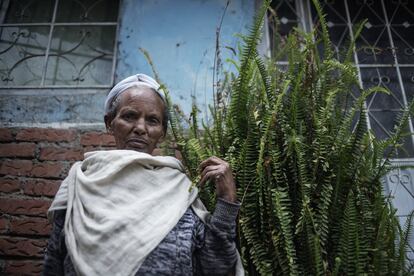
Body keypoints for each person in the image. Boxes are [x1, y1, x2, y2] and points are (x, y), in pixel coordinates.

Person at [43, 74, 242, 276]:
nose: (140, 128)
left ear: (162, 132)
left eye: (152, 120)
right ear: (109, 122)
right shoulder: (80, 183)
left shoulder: (180, 190)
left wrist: (226, 201)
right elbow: (53, 265)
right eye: (129, 116)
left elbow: (216, 268)